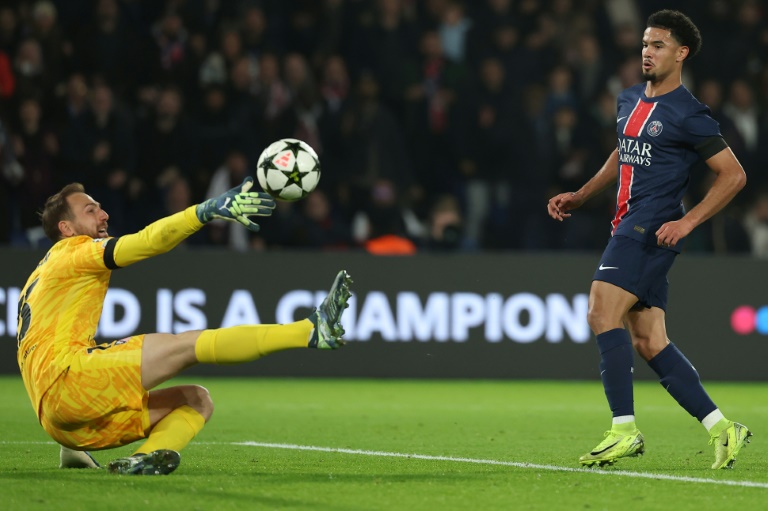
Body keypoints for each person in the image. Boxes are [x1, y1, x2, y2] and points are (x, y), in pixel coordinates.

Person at [17, 176, 353, 475]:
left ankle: (142, 459)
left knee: (196, 400)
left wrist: (66, 430)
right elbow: (148, 241)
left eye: (101, 208)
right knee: (187, 346)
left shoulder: (41, 274)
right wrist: (205, 211)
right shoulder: (76, 250)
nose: (103, 215)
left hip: (59, 422)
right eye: (90, 210)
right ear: (67, 229)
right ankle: (309, 330)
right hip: (69, 382)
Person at [546, 10, 751, 470]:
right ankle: (723, 427)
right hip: (628, 222)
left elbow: (733, 175)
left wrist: (688, 222)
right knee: (649, 339)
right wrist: (581, 195)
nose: (646, 51)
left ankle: (623, 430)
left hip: (650, 227)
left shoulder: (690, 114)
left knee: (601, 310)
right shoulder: (628, 100)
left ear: (681, 53)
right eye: (644, 43)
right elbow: (623, 151)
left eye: (658, 45)